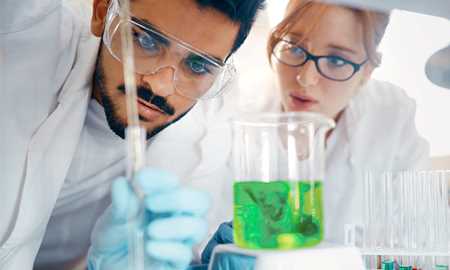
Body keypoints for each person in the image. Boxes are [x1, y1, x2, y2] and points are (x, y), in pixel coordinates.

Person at [0, 0, 265, 269]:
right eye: (146, 41)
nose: (160, 87)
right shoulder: (21, 36)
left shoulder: (211, 119)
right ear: (101, 12)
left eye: (197, 66)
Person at [201, 0, 430, 266]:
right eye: (294, 48)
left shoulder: (391, 117)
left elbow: (416, 244)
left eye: (335, 60)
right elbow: (194, 226)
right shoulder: (235, 107)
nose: (306, 78)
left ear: (366, 72)